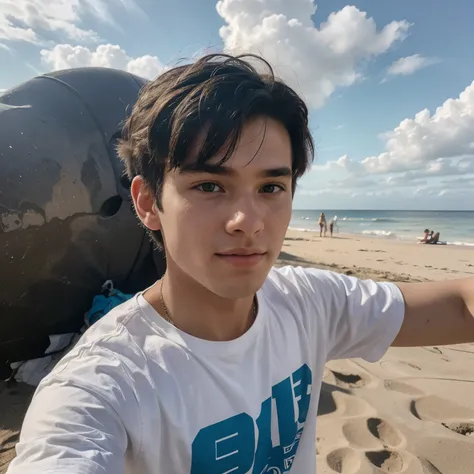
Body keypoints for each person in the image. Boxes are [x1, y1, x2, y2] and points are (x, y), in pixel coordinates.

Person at [7, 54, 474, 474]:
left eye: (271, 188)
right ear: (148, 201)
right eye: (210, 185)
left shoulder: (308, 303)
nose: (247, 223)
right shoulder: (100, 386)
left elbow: (458, 303)